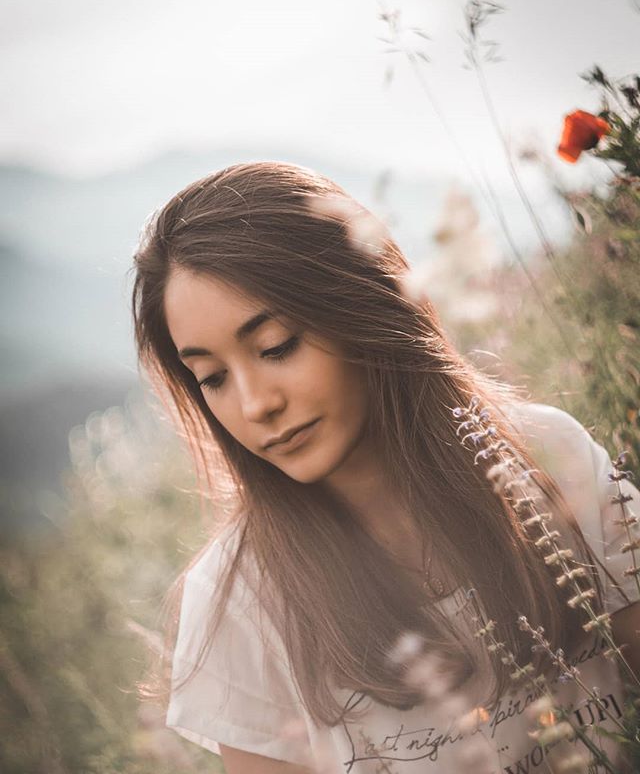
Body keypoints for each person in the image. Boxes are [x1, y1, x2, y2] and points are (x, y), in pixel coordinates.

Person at [130, 160, 640, 774]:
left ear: (359, 306)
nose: (255, 404)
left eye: (276, 347)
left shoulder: (546, 458)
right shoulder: (237, 602)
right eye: (212, 377)